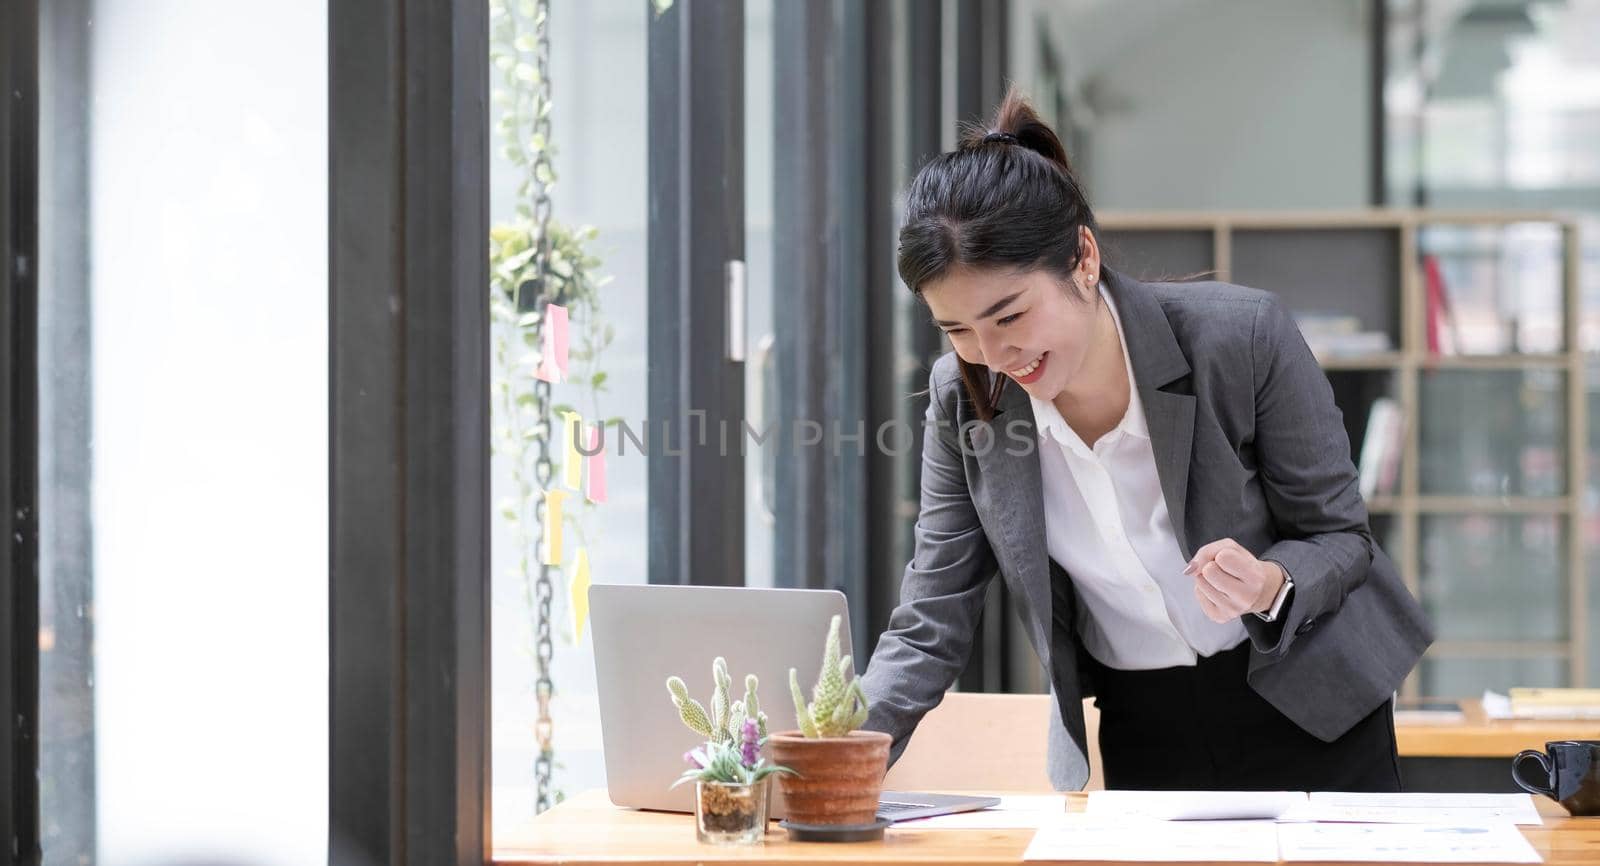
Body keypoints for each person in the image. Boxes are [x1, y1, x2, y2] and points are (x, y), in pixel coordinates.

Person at [858, 89, 1434, 792]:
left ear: (1084, 259)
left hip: (1312, 703)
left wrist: (1269, 582)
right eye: (955, 330)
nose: (991, 353)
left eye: (1008, 315)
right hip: (1143, 723)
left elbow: (1342, 537)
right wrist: (832, 755)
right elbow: (932, 614)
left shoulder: (1239, 337)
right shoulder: (964, 398)